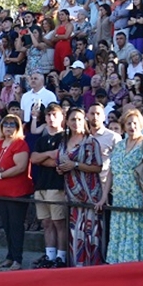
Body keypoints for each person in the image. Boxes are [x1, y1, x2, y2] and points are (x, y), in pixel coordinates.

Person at [104, 108, 143, 264]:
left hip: (137, 196)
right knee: (120, 231)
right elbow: (111, 172)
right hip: (120, 197)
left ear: (140, 124)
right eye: (128, 123)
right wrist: (104, 196)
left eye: (135, 123)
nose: (132, 126)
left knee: (137, 232)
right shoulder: (120, 145)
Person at [56, 107, 104, 266]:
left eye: (79, 119)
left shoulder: (91, 142)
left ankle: (93, 266)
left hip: (89, 192)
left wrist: (75, 164)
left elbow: (97, 167)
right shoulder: (63, 141)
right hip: (71, 193)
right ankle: (77, 265)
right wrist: (61, 168)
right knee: (75, 231)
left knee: (91, 232)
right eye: (72, 119)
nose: (76, 122)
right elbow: (62, 163)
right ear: (67, 122)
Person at [0, 114, 33, 270]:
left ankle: (18, 259)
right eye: (6, 124)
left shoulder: (20, 144)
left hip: (17, 191)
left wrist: (1, 174)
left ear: (18, 128)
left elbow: (20, 167)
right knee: (7, 225)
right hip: (1, 191)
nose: (8, 127)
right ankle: (10, 256)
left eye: (12, 125)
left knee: (16, 226)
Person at [29, 103, 69, 268]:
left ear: (61, 117)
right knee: (46, 223)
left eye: (54, 115)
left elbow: (59, 161)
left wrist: (44, 158)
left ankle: (61, 256)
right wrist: (47, 155)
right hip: (41, 185)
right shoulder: (42, 139)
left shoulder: (65, 137)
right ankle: (50, 255)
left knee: (59, 222)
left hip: (57, 185)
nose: (51, 118)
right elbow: (34, 158)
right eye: (48, 115)